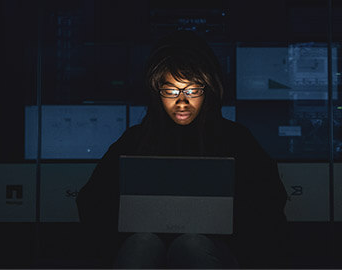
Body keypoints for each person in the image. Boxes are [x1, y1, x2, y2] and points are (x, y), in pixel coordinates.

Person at [76, 30, 288, 268]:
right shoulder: (137, 139)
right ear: (157, 93)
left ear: (207, 90)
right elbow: (92, 202)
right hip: (145, 247)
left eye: (192, 90)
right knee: (143, 244)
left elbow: (268, 205)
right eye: (170, 91)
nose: (182, 101)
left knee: (191, 244)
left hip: (217, 249)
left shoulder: (235, 139)